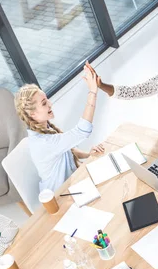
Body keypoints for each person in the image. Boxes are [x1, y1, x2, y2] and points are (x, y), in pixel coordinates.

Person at [14, 64, 104, 193]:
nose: (50, 104)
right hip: (61, 195)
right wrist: (92, 92)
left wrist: (89, 154)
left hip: (73, 182)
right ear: (32, 114)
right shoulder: (45, 142)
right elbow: (82, 131)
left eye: (47, 100)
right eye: (44, 103)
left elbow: (68, 151)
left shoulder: (45, 129)